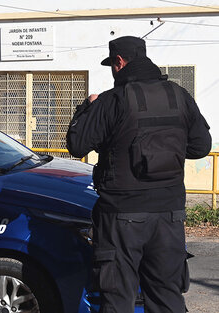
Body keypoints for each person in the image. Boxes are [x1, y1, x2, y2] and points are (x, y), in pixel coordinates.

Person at [67, 36, 211, 313]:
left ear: (119, 62)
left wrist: (87, 108)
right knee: (166, 295)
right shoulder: (178, 95)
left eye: (112, 65)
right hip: (169, 215)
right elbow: (201, 146)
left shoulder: (113, 100)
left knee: (118, 297)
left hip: (122, 216)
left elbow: (77, 144)